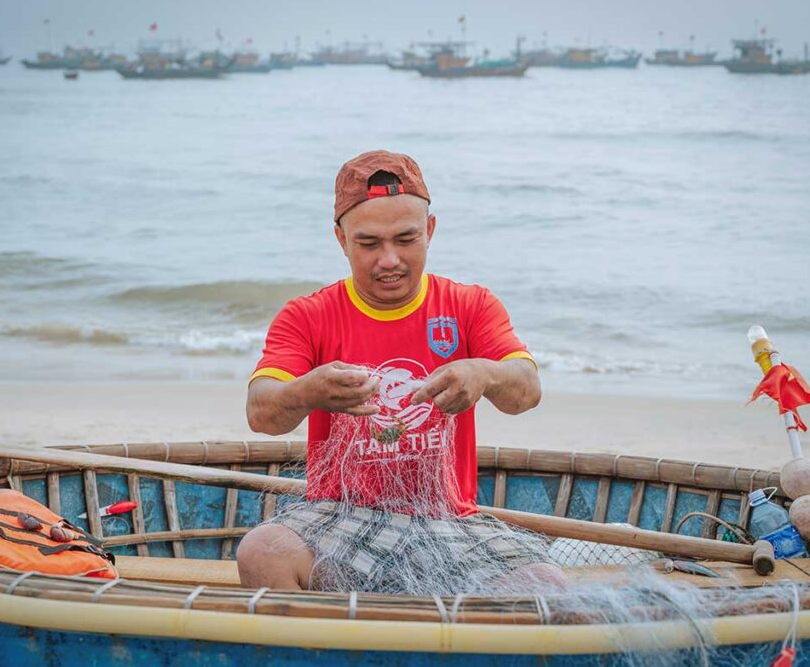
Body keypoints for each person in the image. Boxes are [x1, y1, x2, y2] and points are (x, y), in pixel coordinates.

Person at [237, 150, 566, 592]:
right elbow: (261, 412)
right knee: (261, 552)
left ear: (430, 230)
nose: (389, 259)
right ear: (341, 239)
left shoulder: (471, 306)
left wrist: (484, 373)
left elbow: (526, 390)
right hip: (337, 516)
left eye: (406, 239)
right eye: (369, 243)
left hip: (447, 520)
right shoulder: (307, 316)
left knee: (545, 583)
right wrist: (308, 391)